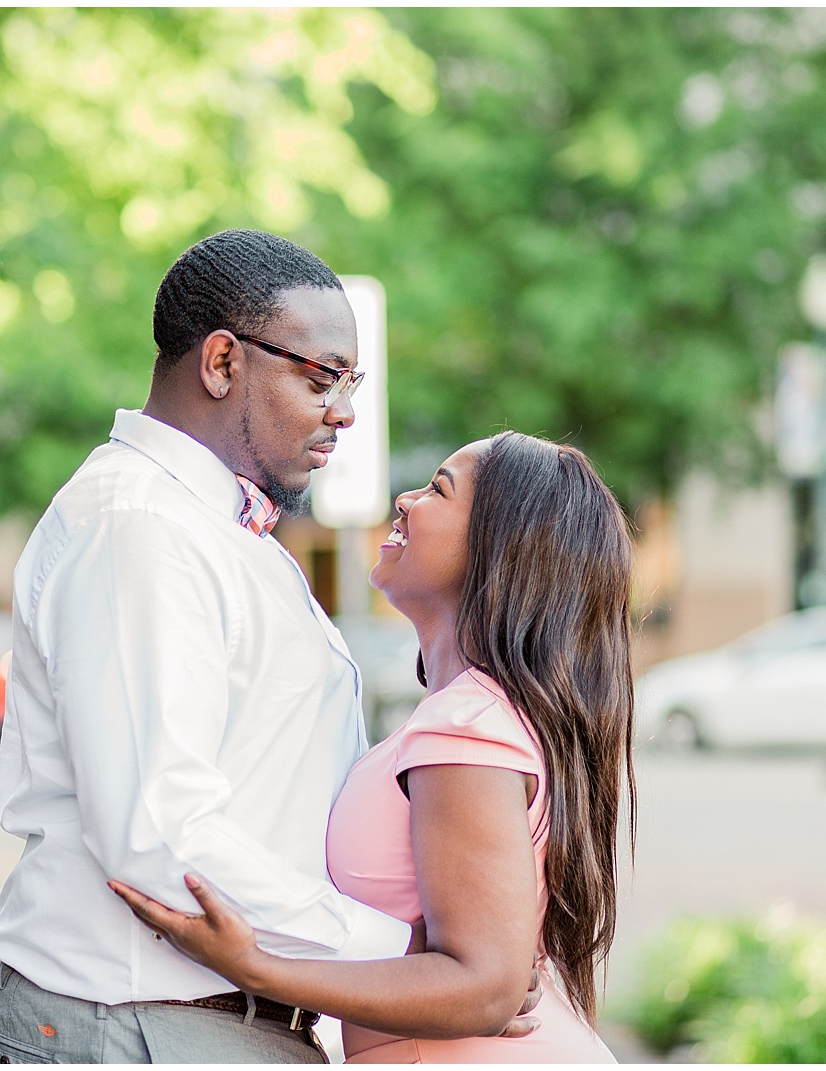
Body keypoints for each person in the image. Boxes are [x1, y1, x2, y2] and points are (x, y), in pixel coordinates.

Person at [0, 230, 532, 1064]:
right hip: (135, 1019)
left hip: (197, 1019)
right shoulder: (141, 529)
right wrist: (404, 948)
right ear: (221, 363)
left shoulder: (220, 531)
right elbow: (162, 840)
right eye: (322, 378)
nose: (344, 412)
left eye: (354, 384)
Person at [112, 431, 637, 1063]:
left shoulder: (466, 726)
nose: (407, 500)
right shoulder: (479, 715)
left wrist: (256, 967)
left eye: (438, 490)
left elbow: (486, 989)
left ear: (501, 550)